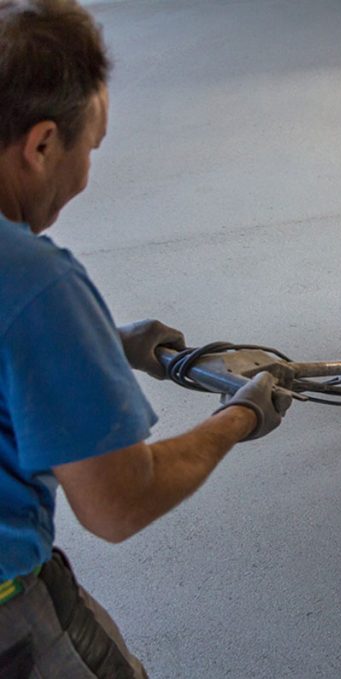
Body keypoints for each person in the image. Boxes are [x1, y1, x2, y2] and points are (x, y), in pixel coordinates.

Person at [0, 1, 292, 676]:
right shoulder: (36, 283)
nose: (85, 173)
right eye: (87, 149)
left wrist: (99, 341)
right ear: (42, 144)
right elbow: (119, 503)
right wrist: (239, 417)